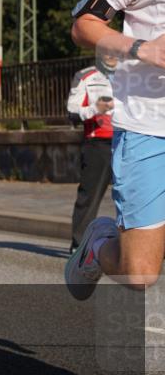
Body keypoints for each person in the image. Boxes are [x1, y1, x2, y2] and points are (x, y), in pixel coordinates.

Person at [66, 0, 165, 298]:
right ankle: (97, 245)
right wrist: (142, 48)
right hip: (149, 125)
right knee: (140, 274)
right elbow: (84, 24)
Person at [66, 51, 117, 253]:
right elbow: (71, 112)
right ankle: (79, 246)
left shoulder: (132, 76)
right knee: (90, 196)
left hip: (129, 141)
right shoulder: (86, 76)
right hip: (99, 143)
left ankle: (134, 246)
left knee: (134, 196)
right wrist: (95, 108)